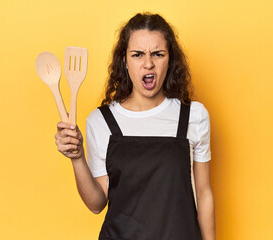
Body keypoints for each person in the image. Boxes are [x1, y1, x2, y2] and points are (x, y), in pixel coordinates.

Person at [55, 12, 215, 240]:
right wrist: (77, 157)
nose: (148, 63)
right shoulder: (101, 121)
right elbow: (96, 203)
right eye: (137, 54)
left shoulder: (193, 116)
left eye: (158, 54)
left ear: (170, 60)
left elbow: (204, 194)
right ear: (125, 61)